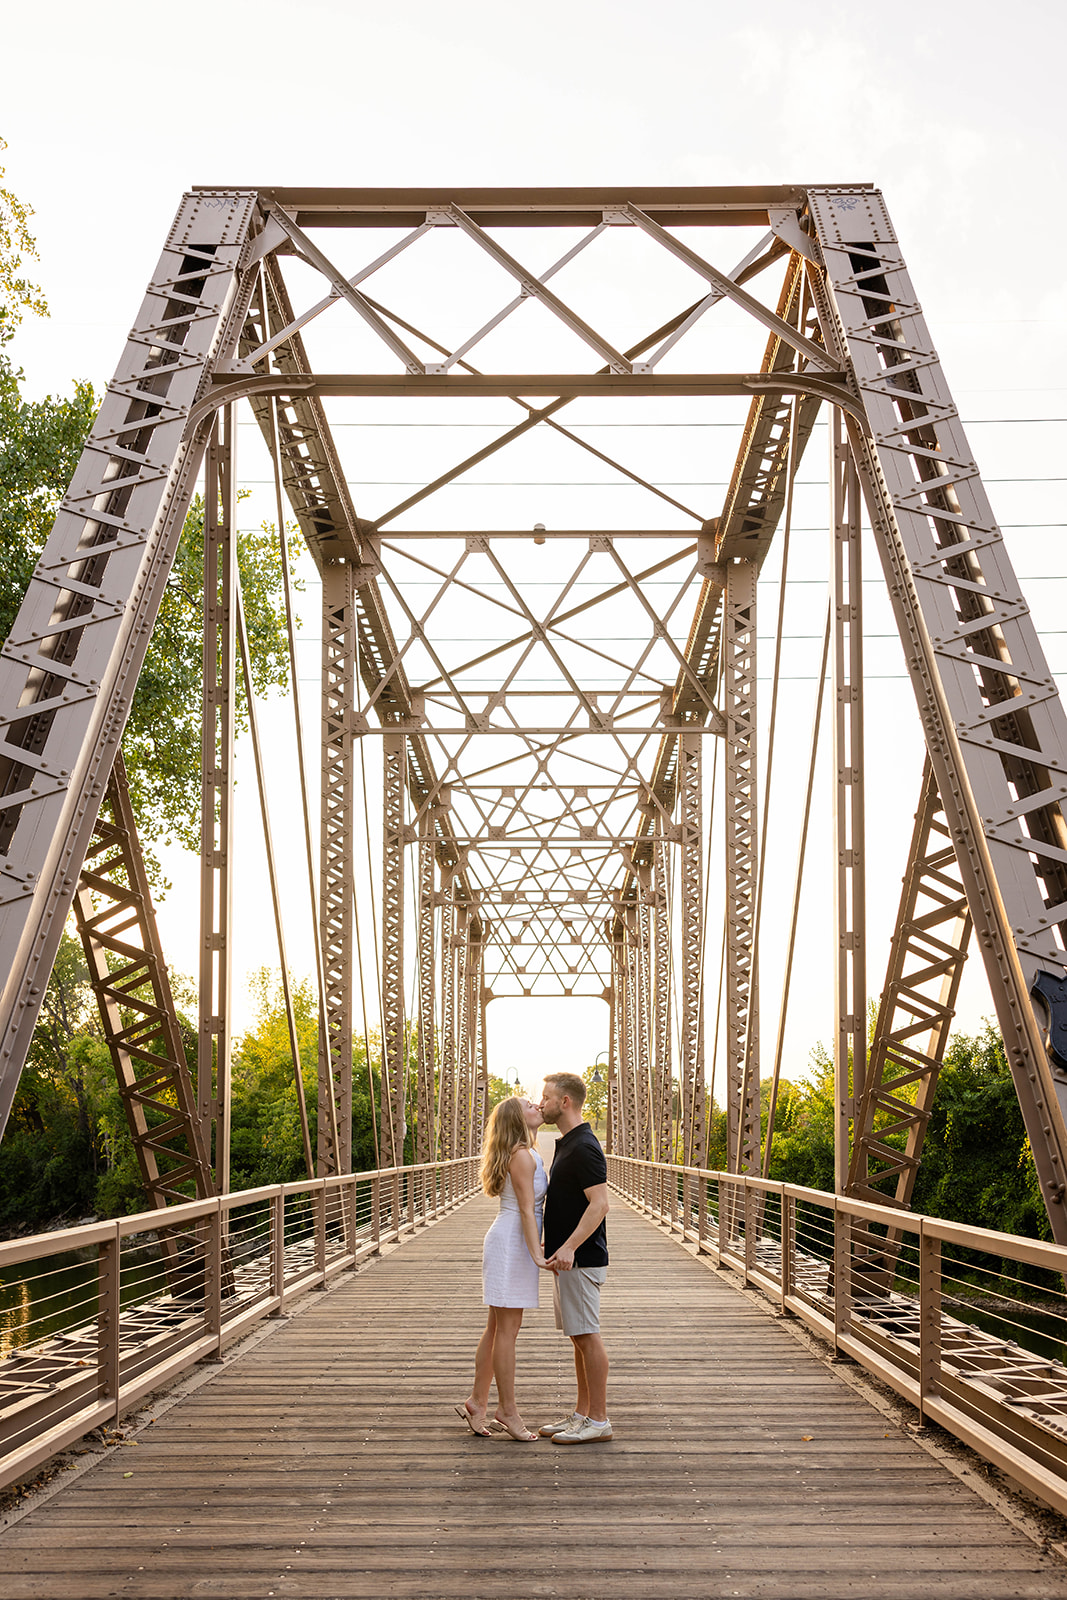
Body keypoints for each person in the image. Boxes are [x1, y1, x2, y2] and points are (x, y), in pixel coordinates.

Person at [456, 1095, 547, 1442]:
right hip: (512, 1243)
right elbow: (527, 1209)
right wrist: (536, 1253)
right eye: (528, 1105)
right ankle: (507, 1410)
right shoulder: (522, 1156)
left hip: (510, 1239)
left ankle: (477, 1402)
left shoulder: (524, 1152)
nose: (537, 1106)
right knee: (507, 1329)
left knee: (496, 1328)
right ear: (516, 1119)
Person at [538, 1072, 612, 1444]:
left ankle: (599, 1420)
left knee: (587, 1336)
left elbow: (600, 1204)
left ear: (564, 1101)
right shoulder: (567, 1142)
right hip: (567, 1259)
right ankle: (582, 1414)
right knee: (577, 1337)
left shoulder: (583, 1145)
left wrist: (568, 1247)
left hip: (579, 1259)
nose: (541, 1103)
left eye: (547, 1096)